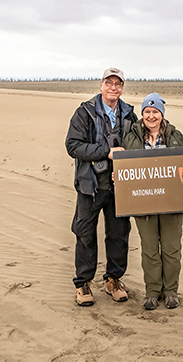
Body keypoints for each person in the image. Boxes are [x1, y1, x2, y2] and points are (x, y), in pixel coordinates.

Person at [65, 67, 138, 307]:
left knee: (119, 234)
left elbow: (137, 145)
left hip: (120, 186)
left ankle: (113, 280)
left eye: (118, 84)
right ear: (101, 85)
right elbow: (73, 146)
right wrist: (106, 152)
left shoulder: (129, 114)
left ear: (122, 88)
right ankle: (83, 283)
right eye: (110, 83)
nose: (114, 87)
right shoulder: (84, 112)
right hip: (90, 184)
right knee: (85, 233)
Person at [123, 93, 183, 310]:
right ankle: (152, 292)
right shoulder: (131, 138)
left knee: (171, 249)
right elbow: (125, 169)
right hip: (143, 204)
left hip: (171, 204)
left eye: (155, 112)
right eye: (147, 112)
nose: (151, 116)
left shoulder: (176, 137)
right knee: (150, 249)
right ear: (142, 114)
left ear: (162, 114)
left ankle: (171, 291)